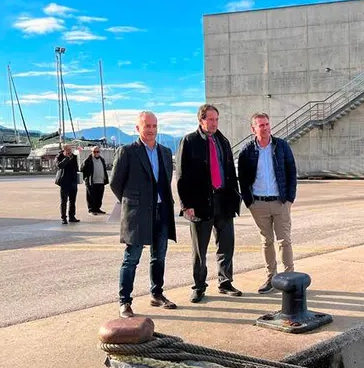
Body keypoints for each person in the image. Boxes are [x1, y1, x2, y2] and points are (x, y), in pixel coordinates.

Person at [110, 111, 177, 318]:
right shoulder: (127, 151)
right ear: (137, 128)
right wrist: (133, 202)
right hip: (137, 214)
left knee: (159, 257)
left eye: (154, 126)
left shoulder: (165, 152)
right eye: (147, 126)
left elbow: (165, 181)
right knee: (131, 259)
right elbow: (115, 183)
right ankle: (125, 301)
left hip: (161, 211)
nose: (151, 130)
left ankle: (157, 294)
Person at [176, 104, 241, 303]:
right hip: (200, 202)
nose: (214, 123)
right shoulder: (189, 141)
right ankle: (199, 286)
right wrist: (186, 204)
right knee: (199, 250)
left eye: (216, 119)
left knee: (226, 245)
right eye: (210, 119)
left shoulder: (223, 141)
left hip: (223, 201)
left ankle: (225, 282)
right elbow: (181, 175)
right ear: (201, 120)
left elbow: (230, 171)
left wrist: (234, 197)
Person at [237, 112, 297, 294]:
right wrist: (249, 202)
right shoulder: (246, 151)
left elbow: (291, 172)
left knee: (284, 241)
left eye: (267, 124)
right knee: (266, 242)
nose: (265, 128)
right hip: (259, 203)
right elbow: (243, 178)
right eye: (260, 125)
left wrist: (289, 199)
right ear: (253, 129)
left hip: (280, 201)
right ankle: (271, 278)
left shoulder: (281, 146)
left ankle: (290, 278)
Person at [55, 144, 80, 224]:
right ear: (64, 150)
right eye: (68, 150)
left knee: (73, 201)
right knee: (64, 201)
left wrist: (77, 179)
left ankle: (72, 216)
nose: (70, 151)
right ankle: (63, 218)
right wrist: (66, 158)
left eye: (70, 149)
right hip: (64, 182)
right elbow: (60, 166)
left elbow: (76, 168)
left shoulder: (74, 156)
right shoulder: (59, 156)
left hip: (73, 182)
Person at [81, 146, 109, 215]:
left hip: (101, 181)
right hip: (92, 182)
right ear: (91, 152)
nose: (96, 153)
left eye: (97, 151)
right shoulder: (88, 160)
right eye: (94, 151)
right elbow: (82, 170)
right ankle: (91, 210)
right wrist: (86, 179)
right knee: (91, 196)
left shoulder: (102, 159)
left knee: (99, 196)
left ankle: (97, 208)